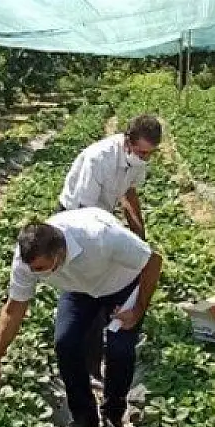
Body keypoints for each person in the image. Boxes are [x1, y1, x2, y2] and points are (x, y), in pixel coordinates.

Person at [0, 208, 163, 427]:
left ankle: (114, 417)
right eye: (33, 269)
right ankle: (84, 419)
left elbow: (153, 261)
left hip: (122, 285)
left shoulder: (101, 237)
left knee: (120, 349)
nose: (36, 274)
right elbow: (14, 308)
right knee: (66, 342)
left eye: (41, 269)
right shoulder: (26, 260)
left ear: (59, 254)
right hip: (79, 290)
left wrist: (137, 310)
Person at [58, 114, 162, 382]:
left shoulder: (136, 160)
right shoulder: (98, 159)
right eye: (141, 152)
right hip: (76, 219)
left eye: (150, 154)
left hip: (103, 219)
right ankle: (90, 364)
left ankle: (112, 339)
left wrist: (139, 232)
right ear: (127, 141)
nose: (145, 158)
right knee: (89, 288)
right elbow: (85, 214)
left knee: (115, 281)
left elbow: (129, 194)